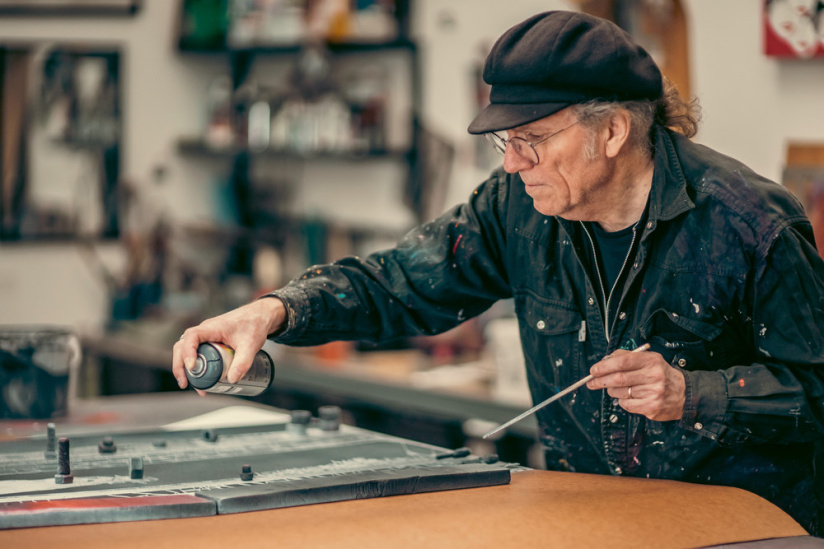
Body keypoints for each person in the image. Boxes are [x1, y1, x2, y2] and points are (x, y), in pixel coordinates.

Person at [173, 11, 824, 535]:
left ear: (614, 130)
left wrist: (692, 394)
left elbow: (817, 394)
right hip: (595, 523)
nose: (513, 164)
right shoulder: (519, 207)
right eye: (502, 142)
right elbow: (402, 282)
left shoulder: (749, 225)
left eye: (531, 139)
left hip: (745, 528)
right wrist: (278, 309)